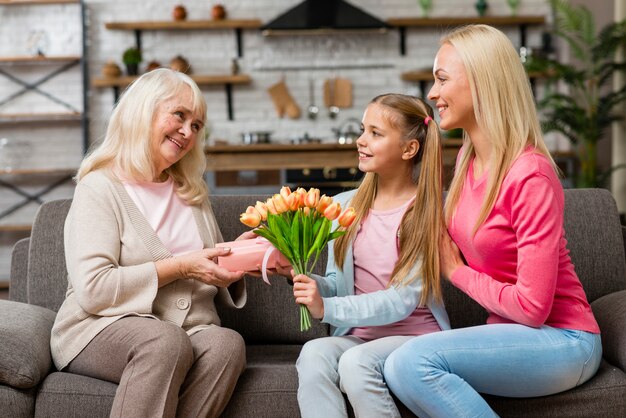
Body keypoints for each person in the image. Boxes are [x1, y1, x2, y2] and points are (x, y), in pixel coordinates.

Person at [384, 24, 602, 418]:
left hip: (564, 339)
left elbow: (534, 308)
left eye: (441, 79)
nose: (432, 93)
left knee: (411, 362)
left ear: (482, 83)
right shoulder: (469, 160)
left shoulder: (530, 174)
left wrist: (455, 271)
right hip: (512, 334)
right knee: (397, 367)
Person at [50, 68, 254, 418]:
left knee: (226, 343)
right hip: (100, 326)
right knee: (163, 342)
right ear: (143, 110)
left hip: (190, 328)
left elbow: (211, 266)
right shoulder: (100, 188)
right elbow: (94, 290)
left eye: (197, 126)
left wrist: (244, 257)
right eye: (179, 115)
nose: (188, 132)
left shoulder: (192, 191)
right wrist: (180, 266)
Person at [292, 93, 451, 418]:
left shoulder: (426, 211)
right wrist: (306, 281)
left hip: (415, 338)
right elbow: (339, 284)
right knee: (313, 353)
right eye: (363, 130)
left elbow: (402, 300)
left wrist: (328, 308)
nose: (361, 141)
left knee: (354, 363)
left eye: (375, 134)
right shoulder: (346, 206)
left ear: (409, 149)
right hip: (359, 337)